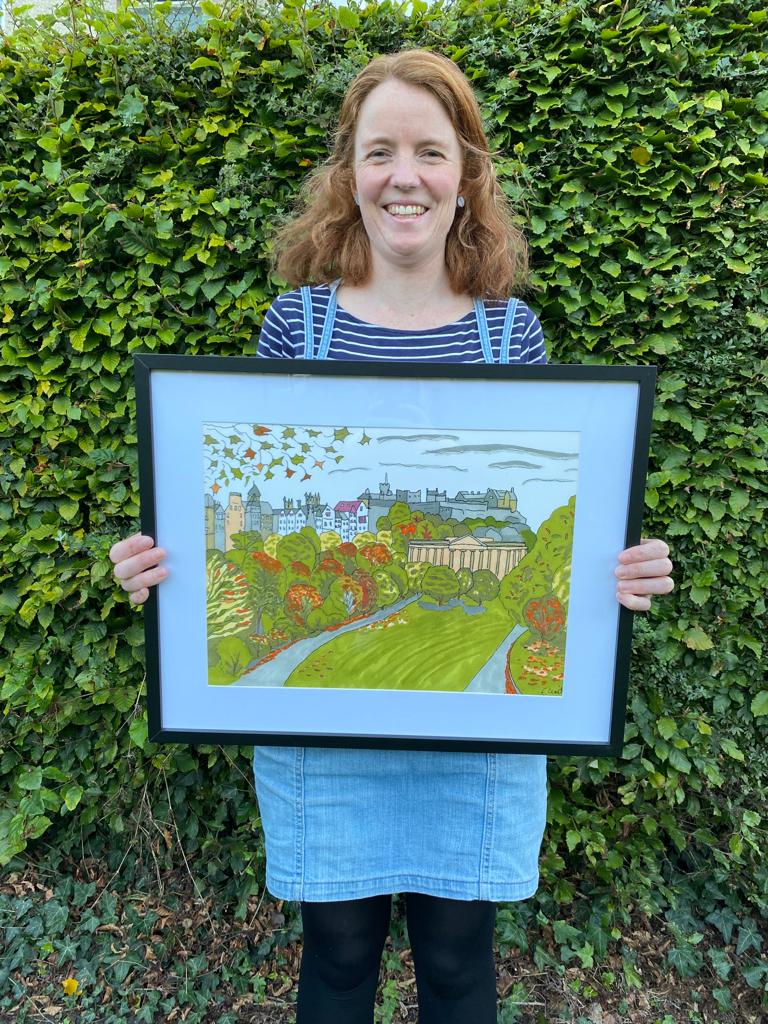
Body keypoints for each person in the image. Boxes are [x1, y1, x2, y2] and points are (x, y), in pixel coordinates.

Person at [110, 49, 674, 1024]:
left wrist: (612, 572)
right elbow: (233, 500)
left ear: (465, 177)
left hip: (478, 747)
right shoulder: (297, 329)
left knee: (458, 962)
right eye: (379, 151)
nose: (403, 174)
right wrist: (166, 565)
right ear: (349, 174)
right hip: (324, 744)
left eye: (428, 151)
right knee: (335, 956)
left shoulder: (511, 337)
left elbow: (553, 524)